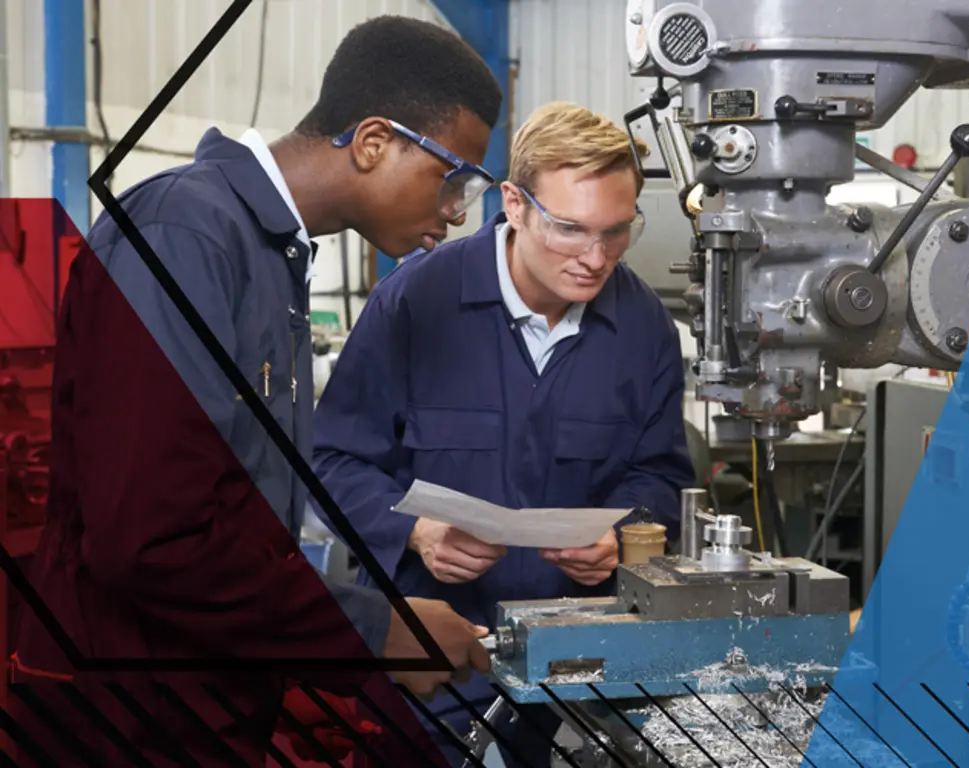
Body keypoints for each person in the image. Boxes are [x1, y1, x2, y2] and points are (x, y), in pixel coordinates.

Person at [10, 15, 503, 767]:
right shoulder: (187, 233)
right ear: (374, 142)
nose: (459, 211)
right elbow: (148, 540)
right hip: (119, 718)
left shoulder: (272, 255)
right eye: (453, 177)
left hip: (202, 703)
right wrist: (375, 628)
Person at [312, 101, 696, 765]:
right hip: (432, 678)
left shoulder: (645, 329)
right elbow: (333, 460)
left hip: (582, 680)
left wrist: (621, 538)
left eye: (617, 231)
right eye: (571, 230)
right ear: (514, 204)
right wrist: (417, 530)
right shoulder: (415, 303)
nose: (596, 257)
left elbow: (661, 477)